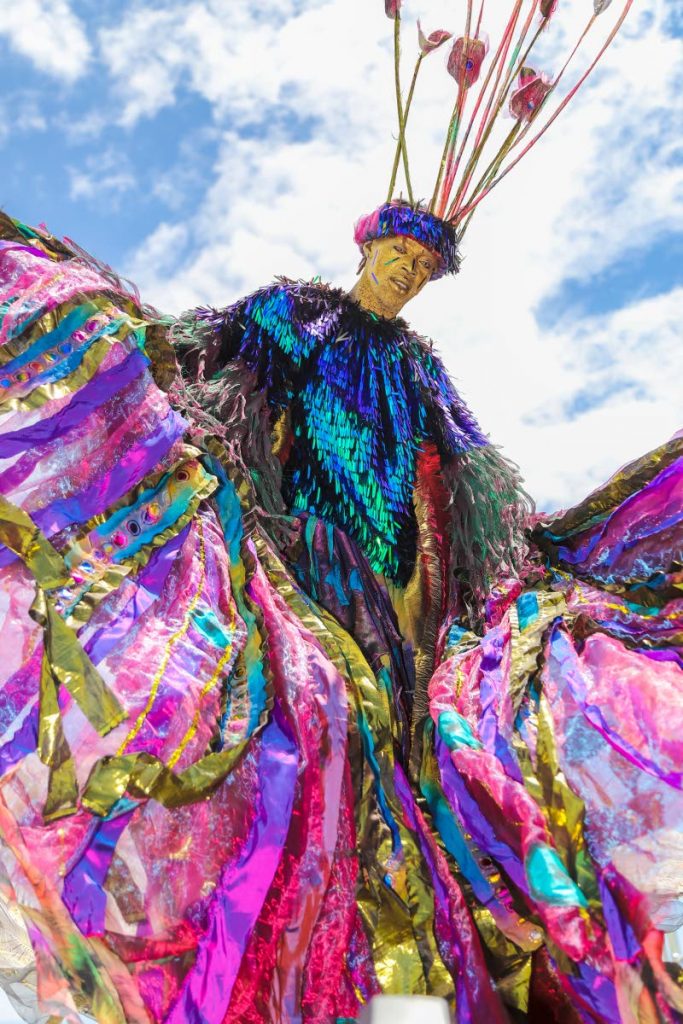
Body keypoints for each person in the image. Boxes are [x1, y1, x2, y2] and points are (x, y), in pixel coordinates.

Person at [0, 4, 681, 1023]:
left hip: (393, 579)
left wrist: (502, 561)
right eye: (395, 260)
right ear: (367, 248)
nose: (402, 278)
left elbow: (469, 477)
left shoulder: (419, 363)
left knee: (403, 754)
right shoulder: (290, 310)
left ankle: (397, 931)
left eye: (420, 272)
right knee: (295, 722)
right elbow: (205, 357)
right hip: (304, 549)